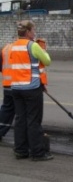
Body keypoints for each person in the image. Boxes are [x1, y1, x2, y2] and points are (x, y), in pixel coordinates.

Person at [10, 20, 53, 161]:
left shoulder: (12, 46)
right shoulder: (32, 45)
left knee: (20, 119)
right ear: (28, 32)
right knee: (33, 120)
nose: (34, 33)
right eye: (33, 30)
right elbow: (47, 61)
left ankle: (21, 151)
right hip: (31, 87)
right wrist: (43, 49)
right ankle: (37, 152)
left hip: (16, 88)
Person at [0, 43, 15, 142]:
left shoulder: (6, 48)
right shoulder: (25, 47)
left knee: (7, 109)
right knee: (25, 112)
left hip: (7, 83)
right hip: (20, 84)